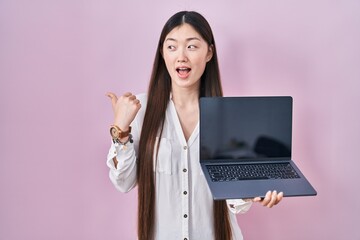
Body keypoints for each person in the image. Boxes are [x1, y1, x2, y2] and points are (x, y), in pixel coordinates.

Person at [106, 11, 283, 240]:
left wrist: (252, 193)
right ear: (162, 53)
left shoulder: (228, 116)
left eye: (191, 46)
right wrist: (121, 129)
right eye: (172, 47)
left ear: (209, 52)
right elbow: (124, 182)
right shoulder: (142, 110)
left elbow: (233, 200)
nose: (181, 57)